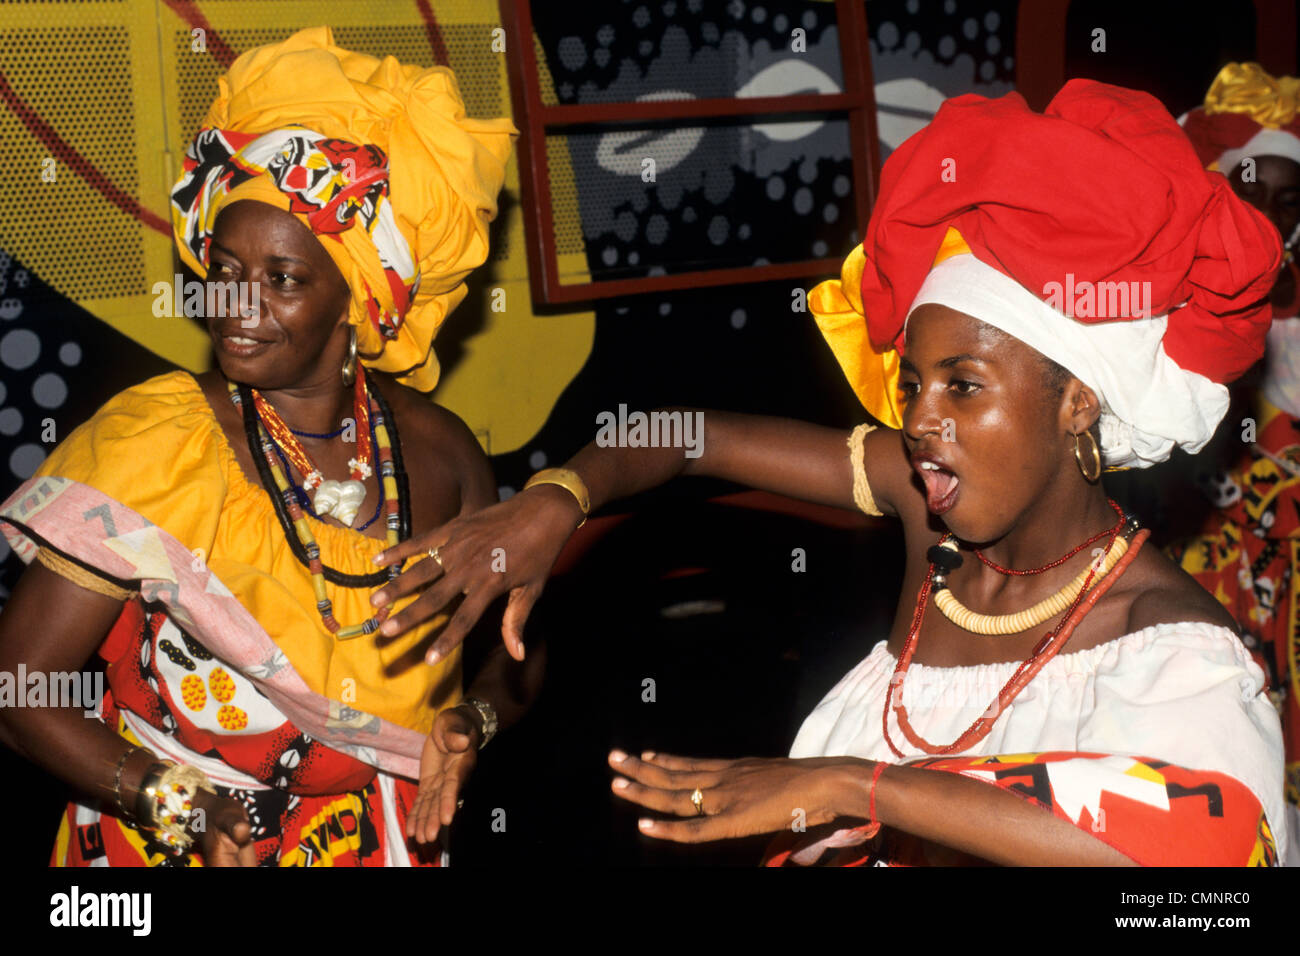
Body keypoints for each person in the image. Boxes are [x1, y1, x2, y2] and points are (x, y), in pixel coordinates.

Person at [367, 80, 1286, 865]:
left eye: (965, 387)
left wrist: (858, 786)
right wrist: (556, 500)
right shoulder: (928, 510)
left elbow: (1203, 877)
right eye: (915, 381)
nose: (920, 418)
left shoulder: (1170, 646)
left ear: (1079, 401)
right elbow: (689, 436)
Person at [0, 27, 539, 866]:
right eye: (224, 268)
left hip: (369, 841)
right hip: (164, 841)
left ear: (358, 300)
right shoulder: (160, 443)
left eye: (282, 278)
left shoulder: (442, 458)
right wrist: (176, 804)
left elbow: (517, 659)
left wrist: (473, 721)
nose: (236, 306)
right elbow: (20, 694)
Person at [1171, 64, 1300, 858]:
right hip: (1205, 541)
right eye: (1255, 195)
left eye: (1293, 203)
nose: (1275, 219)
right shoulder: (1178, 301)